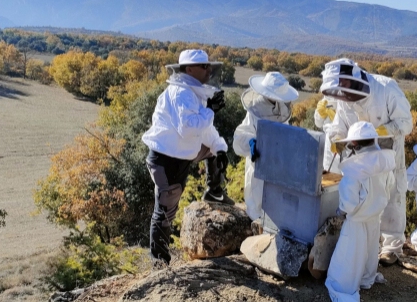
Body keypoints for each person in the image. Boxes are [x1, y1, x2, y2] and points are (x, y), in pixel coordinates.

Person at [141, 49, 233, 265]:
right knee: (164, 212)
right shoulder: (180, 93)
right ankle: (159, 264)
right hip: (167, 160)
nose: (208, 70)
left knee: (213, 150)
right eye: (204, 66)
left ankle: (214, 192)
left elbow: (203, 130)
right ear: (189, 69)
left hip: (182, 153)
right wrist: (210, 110)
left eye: (208, 66)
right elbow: (189, 128)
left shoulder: (191, 93)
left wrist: (219, 149)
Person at [319, 58, 413, 266]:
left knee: (392, 195)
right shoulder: (345, 99)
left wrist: (381, 132)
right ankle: (366, 245)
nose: (342, 95)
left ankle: (391, 247)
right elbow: (339, 124)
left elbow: (406, 123)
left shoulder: (386, 88)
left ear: (351, 80)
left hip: (388, 153)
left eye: (343, 88)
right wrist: (336, 138)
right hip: (359, 157)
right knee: (361, 198)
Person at [325, 121, 396, 302]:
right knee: (369, 254)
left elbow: (349, 202)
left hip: (356, 222)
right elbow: (389, 189)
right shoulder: (384, 165)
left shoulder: (354, 171)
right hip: (374, 218)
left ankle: (347, 295)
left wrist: (341, 211)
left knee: (345, 266)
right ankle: (366, 279)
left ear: (355, 143)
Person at [233, 71, 299, 221]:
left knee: (277, 203)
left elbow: (285, 131)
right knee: (257, 199)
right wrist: (251, 142)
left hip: (279, 162)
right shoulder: (255, 108)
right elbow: (240, 136)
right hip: (260, 161)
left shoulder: (282, 108)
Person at [314, 96, 341, 174]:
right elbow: (318, 123)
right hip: (329, 144)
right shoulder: (325, 101)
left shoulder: (348, 100)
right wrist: (320, 113)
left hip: (347, 142)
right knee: (330, 177)